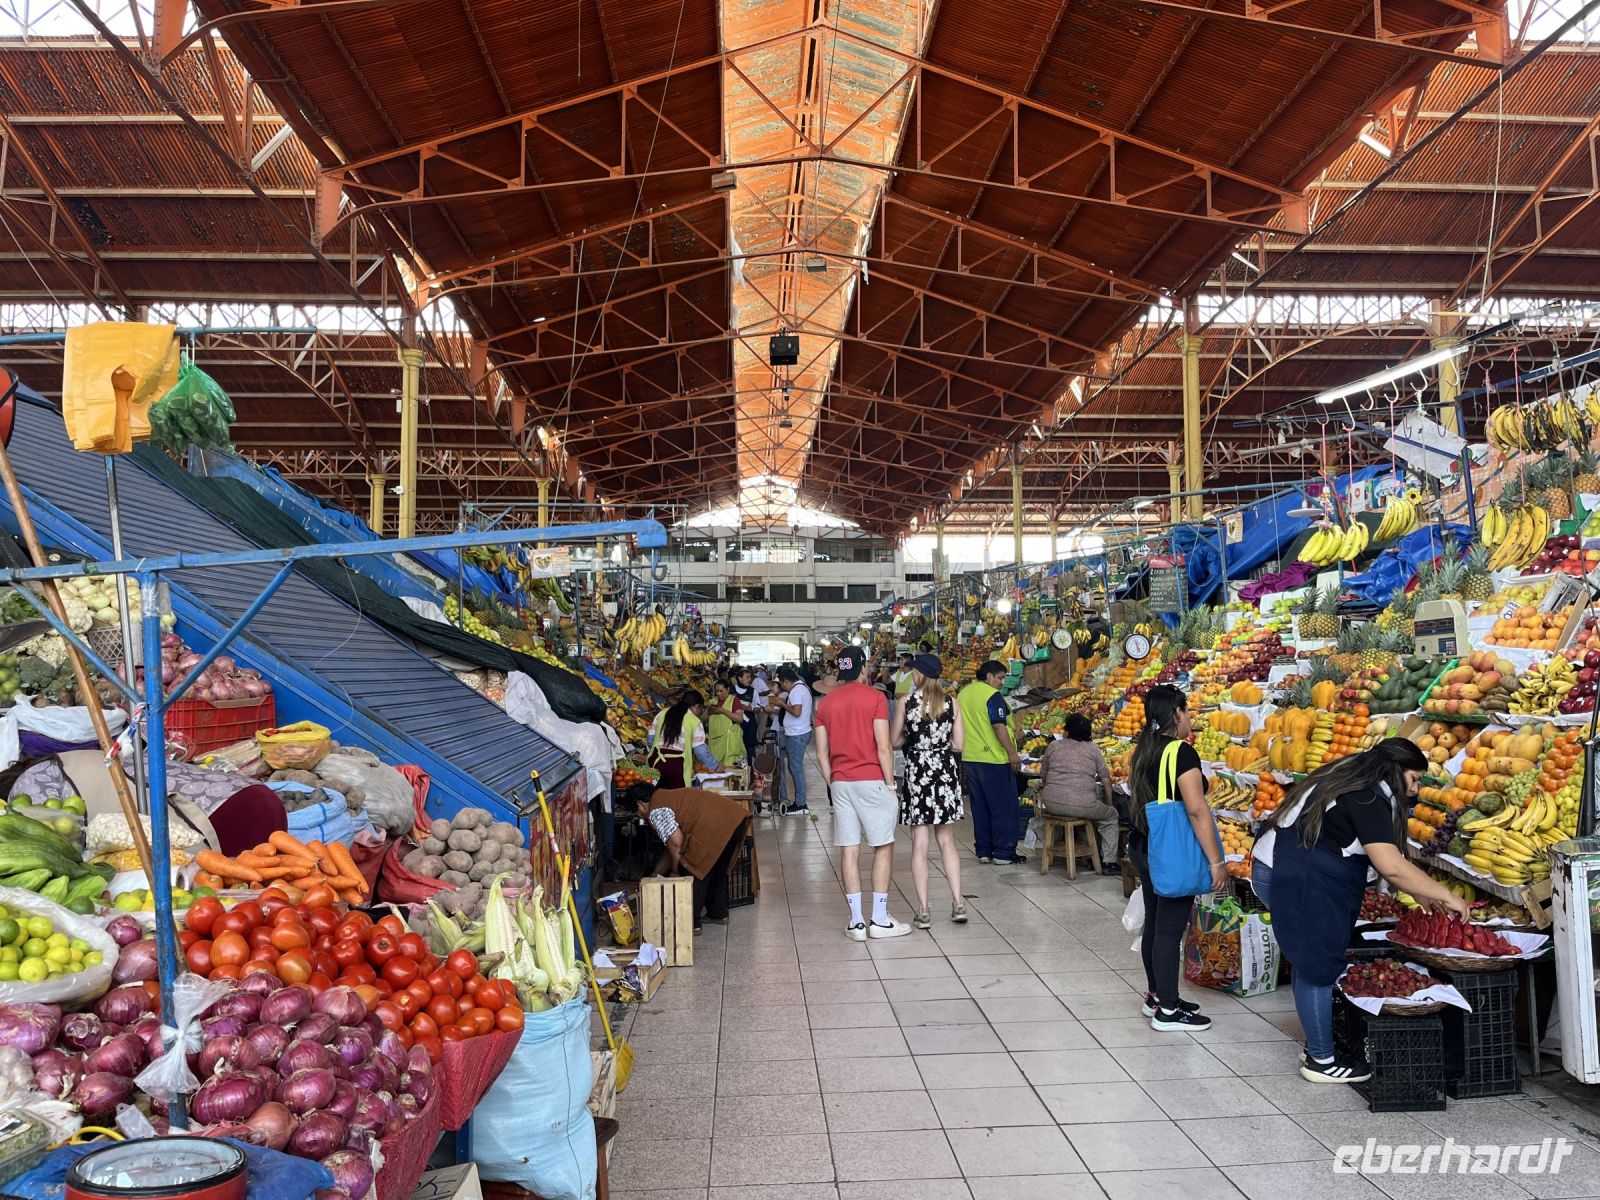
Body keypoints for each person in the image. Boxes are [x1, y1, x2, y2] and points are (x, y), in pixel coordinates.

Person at [1255, 739, 1470, 1084]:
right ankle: (1321, 1061)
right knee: (1318, 964)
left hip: (1283, 867)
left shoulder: (1349, 778)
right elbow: (1391, 865)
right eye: (1414, 779)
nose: (1414, 790)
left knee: (1309, 958)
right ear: (1395, 770)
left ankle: (1317, 1045)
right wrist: (1446, 895)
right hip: (1297, 874)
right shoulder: (1368, 796)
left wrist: (1422, 891)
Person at [1125, 684, 1222, 1032]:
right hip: (1169, 851)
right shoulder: (1181, 752)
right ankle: (1168, 1010)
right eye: (1188, 710)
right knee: (1169, 929)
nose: (1190, 716)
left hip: (1143, 844)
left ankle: (1157, 995)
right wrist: (1216, 861)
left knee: (1155, 923)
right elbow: (1196, 811)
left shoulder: (1146, 748)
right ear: (1178, 712)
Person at [813, 647, 910, 939]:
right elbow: (883, 746)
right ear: (862, 669)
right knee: (883, 846)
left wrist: (834, 784)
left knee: (849, 849)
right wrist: (891, 785)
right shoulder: (875, 698)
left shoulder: (825, 705)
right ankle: (879, 919)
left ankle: (856, 922)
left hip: (841, 782)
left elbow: (821, 754)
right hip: (871, 779)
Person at [890, 653, 966, 927]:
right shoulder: (952, 703)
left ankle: (923, 910)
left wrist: (915, 740)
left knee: (919, 844)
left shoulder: (905, 703)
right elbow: (959, 745)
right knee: (947, 842)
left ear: (918, 674)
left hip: (918, 772)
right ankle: (958, 903)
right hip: (944, 772)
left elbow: (894, 740)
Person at [626, 783, 749, 933]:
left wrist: (676, 870)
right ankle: (718, 913)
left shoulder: (655, 811)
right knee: (716, 867)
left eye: (637, 813)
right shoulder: (666, 796)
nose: (641, 817)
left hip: (713, 826)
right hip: (734, 819)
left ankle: (692, 922)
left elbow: (677, 844)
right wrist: (655, 875)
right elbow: (671, 845)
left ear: (640, 804)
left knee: (691, 867)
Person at [956, 660, 1027, 865]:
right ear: (988, 677)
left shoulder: (964, 693)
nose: (1002, 682)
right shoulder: (991, 695)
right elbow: (998, 727)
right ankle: (1003, 852)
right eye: (1000, 677)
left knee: (980, 807)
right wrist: (1012, 753)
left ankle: (984, 850)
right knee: (1003, 807)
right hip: (994, 759)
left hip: (971, 758)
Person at [1038, 714, 1121, 875]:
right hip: (1082, 804)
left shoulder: (1054, 746)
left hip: (1051, 803)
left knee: (1086, 814)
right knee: (1110, 816)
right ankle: (1108, 862)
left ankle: (1089, 857)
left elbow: (1043, 774)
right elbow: (1106, 781)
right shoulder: (1093, 749)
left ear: (1067, 730)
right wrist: (1110, 804)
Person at [646, 689, 721, 790]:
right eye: (701, 710)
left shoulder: (661, 714)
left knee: (656, 799)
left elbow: (650, 740)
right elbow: (701, 751)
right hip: (677, 767)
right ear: (697, 706)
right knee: (677, 802)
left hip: (655, 763)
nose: (699, 713)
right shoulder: (694, 721)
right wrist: (715, 766)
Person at [771, 665, 814, 814]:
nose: (782, 688)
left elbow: (796, 712)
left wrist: (782, 704)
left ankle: (801, 804)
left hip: (797, 734)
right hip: (798, 732)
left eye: (782, 684)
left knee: (795, 769)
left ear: (786, 682)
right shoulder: (803, 687)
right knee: (794, 768)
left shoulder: (796, 691)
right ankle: (799, 802)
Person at [704, 679, 747, 769]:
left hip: (730, 744)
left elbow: (739, 719)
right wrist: (709, 711)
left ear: (727, 690)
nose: (718, 694)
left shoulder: (734, 701)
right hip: (715, 743)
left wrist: (722, 710)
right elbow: (702, 719)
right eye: (717, 691)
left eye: (721, 691)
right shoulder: (712, 702)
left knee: (729, 770)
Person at [732, 667, 759, 759]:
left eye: (750, 677)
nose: (750, 679)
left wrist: (748, 708)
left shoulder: (753, 691)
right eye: (747, 677)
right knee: (735, 747)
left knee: (750, 747)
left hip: (749, 724)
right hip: (734, 723)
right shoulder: (731, 690)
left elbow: (758, 708)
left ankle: (752, 770)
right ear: (740, 678)